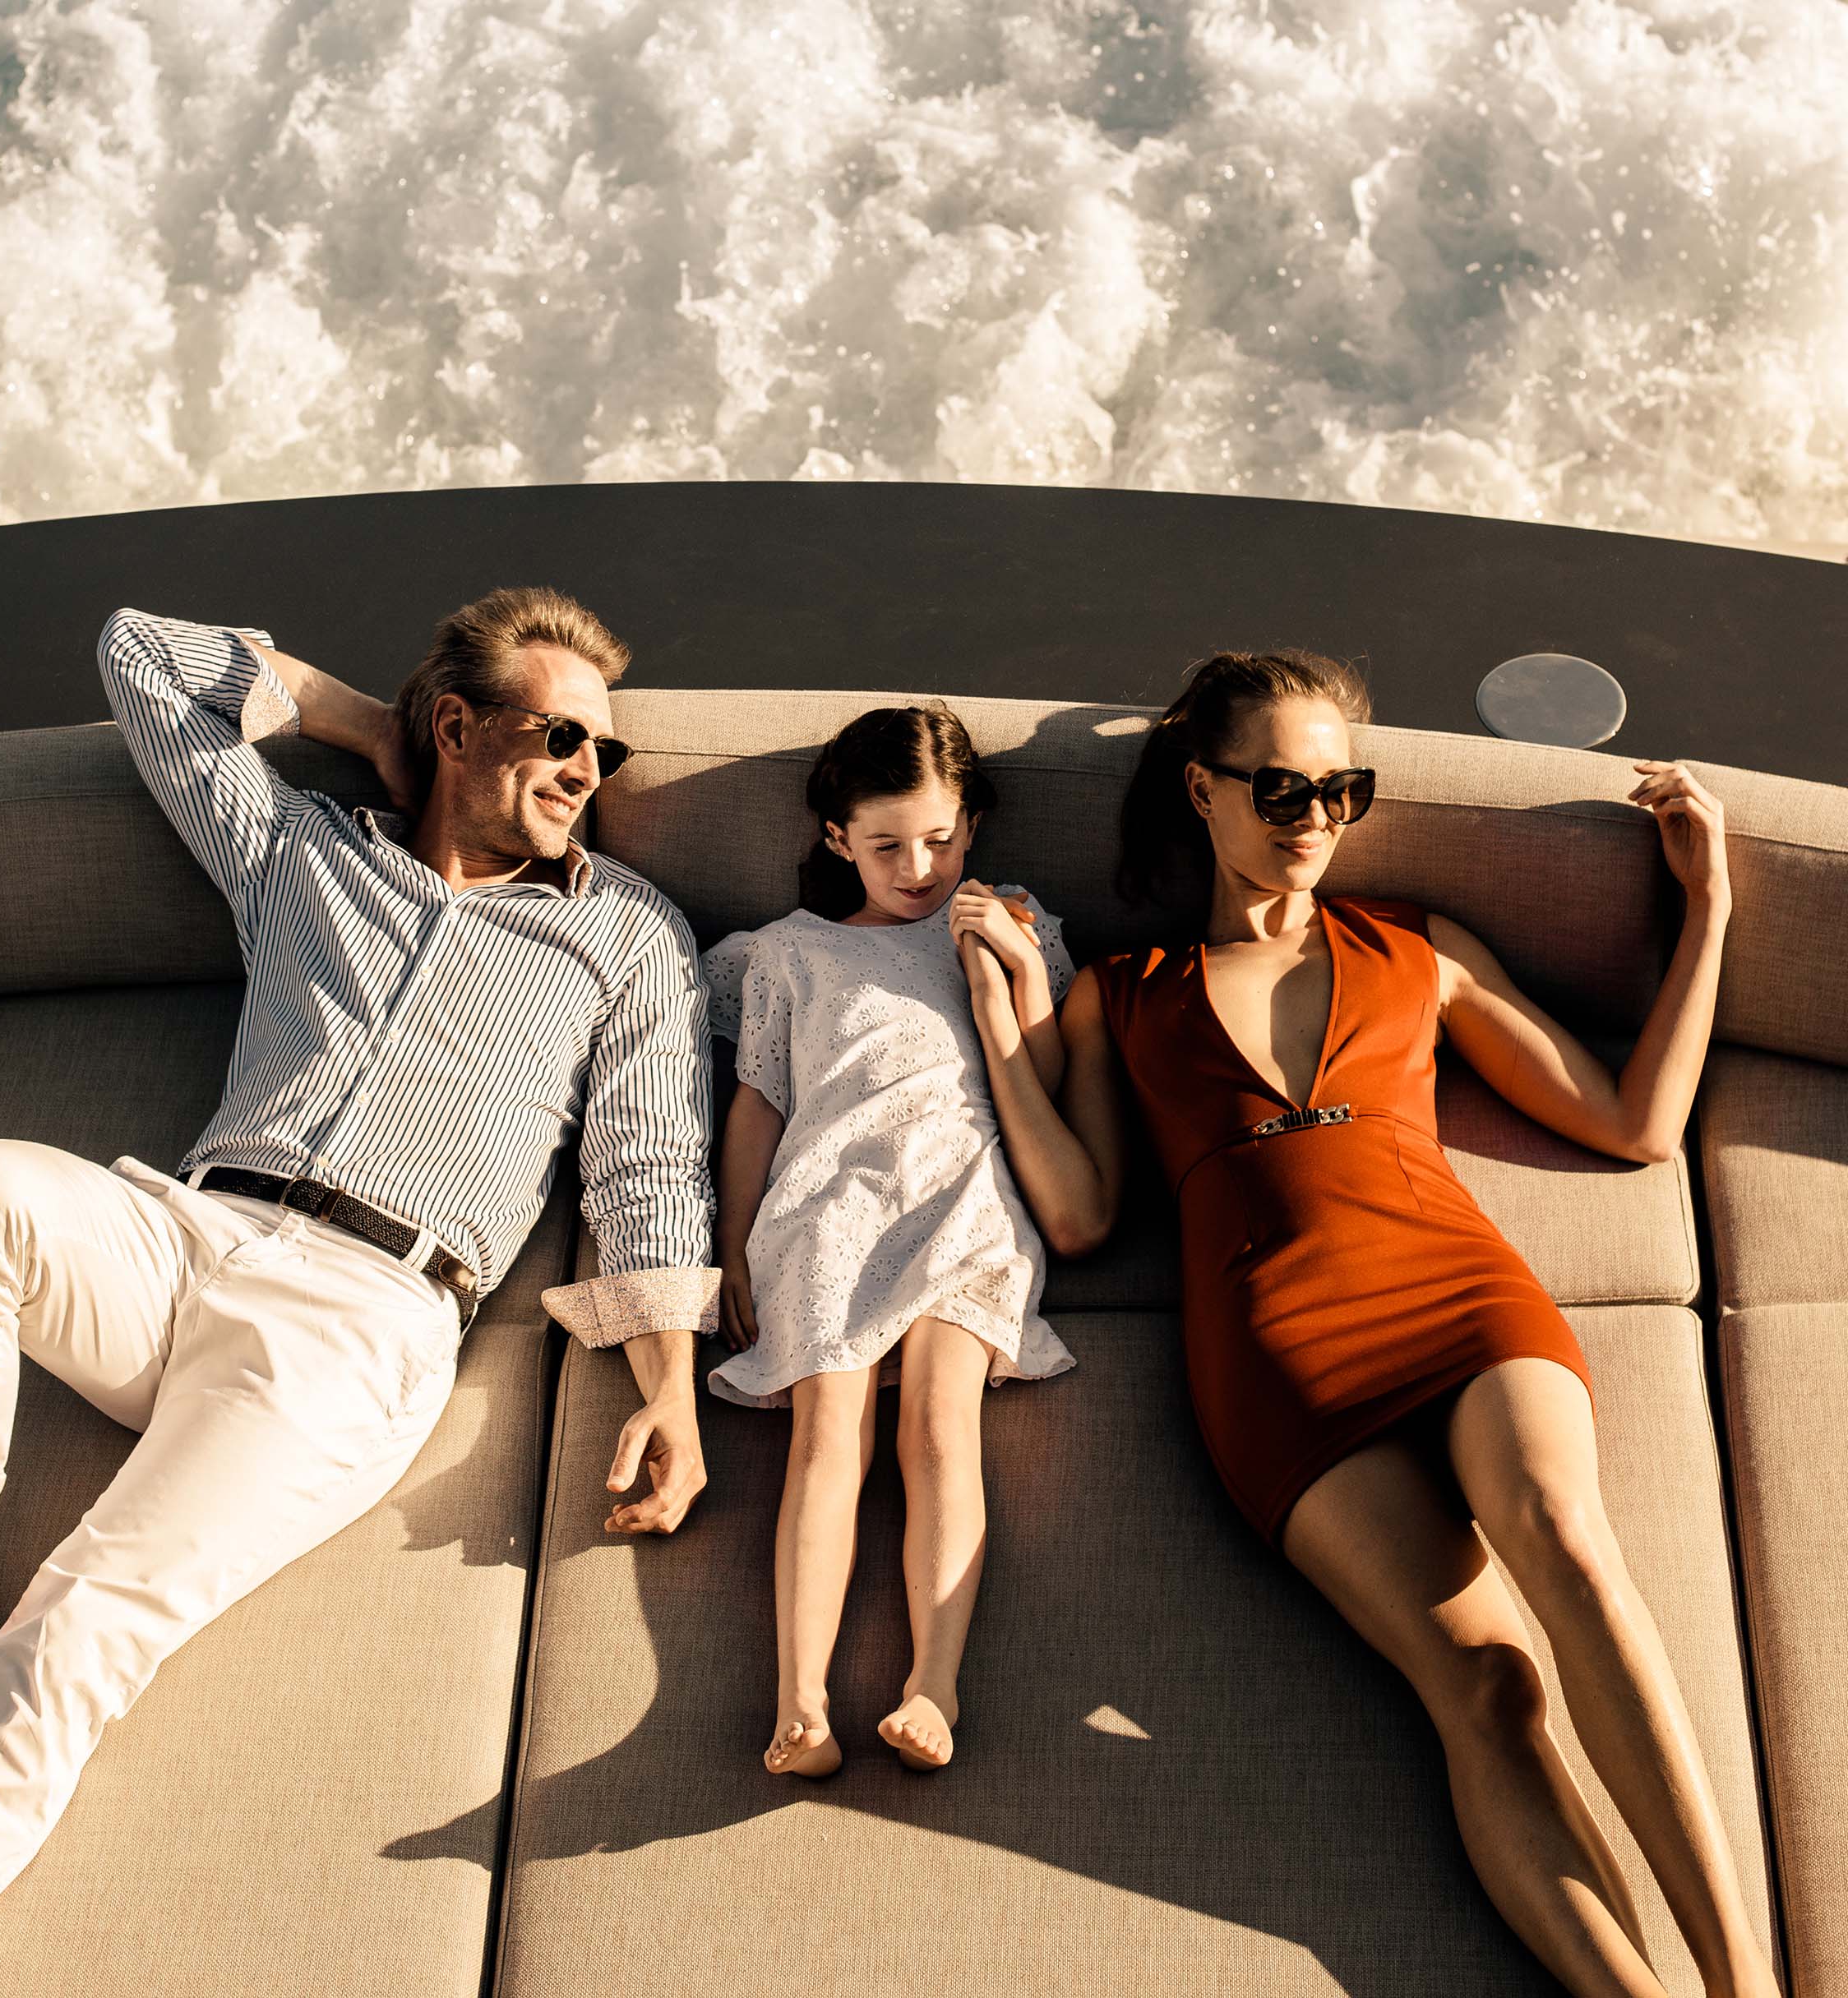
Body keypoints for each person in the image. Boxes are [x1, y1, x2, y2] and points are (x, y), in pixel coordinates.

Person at [0, 590, 718, 1998]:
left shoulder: (629, 936)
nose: (590, 771)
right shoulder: (299, 851)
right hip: (191, 1231)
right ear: (457, 725)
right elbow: (136, 654)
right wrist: (365, 732)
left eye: (609, 752)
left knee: (89, 1616)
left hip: (365, 1320)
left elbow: (651, 1161)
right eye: (558, 735)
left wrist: (672, 1395)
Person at [962, 649, 1779, 1998]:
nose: (1316, 819)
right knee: (1486, 1691)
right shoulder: (1127, 987)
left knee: (1566, 1545)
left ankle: (1750, 1985)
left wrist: (1713, 905)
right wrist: (1006, 1025)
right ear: (1202, 791)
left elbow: (1636, 1126)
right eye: (1282, 788)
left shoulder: (1418, 946)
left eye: (1345, 791)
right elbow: (1082, 1214)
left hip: (1459, 1294)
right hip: (1280, 1352)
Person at [708, 704, 1074, 1779]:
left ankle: (932, 1685)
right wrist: (734, 1244)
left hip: (965, 1195)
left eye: (942, 839)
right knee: (828, 1438)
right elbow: (757, 1107)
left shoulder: (1010, 923)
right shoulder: (786, 956)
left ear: (971, 825)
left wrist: (1020, 968)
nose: (918, 868)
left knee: (937, 1428)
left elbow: (1042, 1091)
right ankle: (802, 1704)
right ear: (837, 839)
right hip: (829, 1204)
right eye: (886, 846)